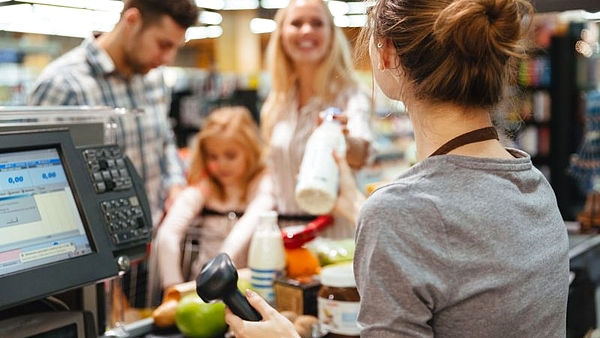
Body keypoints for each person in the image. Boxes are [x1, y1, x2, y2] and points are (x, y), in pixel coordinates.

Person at [225, 0, 570, 337]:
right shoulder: (535, 186)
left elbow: (420, 227)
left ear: (387, 53)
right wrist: (355, 203)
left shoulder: (399, 212)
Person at [27, 0, 199, 309]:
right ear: (132, 20)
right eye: (163, 44)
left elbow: (165, 141)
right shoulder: (63, 84)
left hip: (152, 247)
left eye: (175, 47)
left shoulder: (153, 78)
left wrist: (175, 184)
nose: (168, 58)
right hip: (94, 265)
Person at [231, 0, 375, 250]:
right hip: (287, 240)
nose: (306, 30)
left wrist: (341, 138)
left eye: (317, 23)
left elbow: (363, 153)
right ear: (282, 35)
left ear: (331, 35)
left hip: (337, 240)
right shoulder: (276, 104)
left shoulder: (350, 96)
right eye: (296, 23)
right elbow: (275, 182)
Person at [155, 106, 267, 290]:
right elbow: (168, 233)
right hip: (203, 288)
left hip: (250, 286)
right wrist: (172, 286)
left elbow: (252, 220)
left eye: (230, 155)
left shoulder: (263, 182)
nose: (221, 164)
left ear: (251, 150)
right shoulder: (204, 188)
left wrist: (221, 266)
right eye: (213, 156)